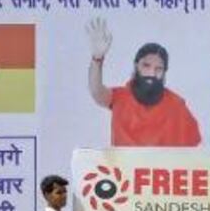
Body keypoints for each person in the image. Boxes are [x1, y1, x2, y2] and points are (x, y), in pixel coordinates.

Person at [86, 17, 202, 147]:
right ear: (136, 66)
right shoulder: (121, 97)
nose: (151, 74)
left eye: (158, 69)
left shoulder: (176, 105)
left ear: (164, 72)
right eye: (146, 66)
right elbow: (97, 92)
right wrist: (97, 59)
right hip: (124, 167)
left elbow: (192, 152)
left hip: (162, 167)